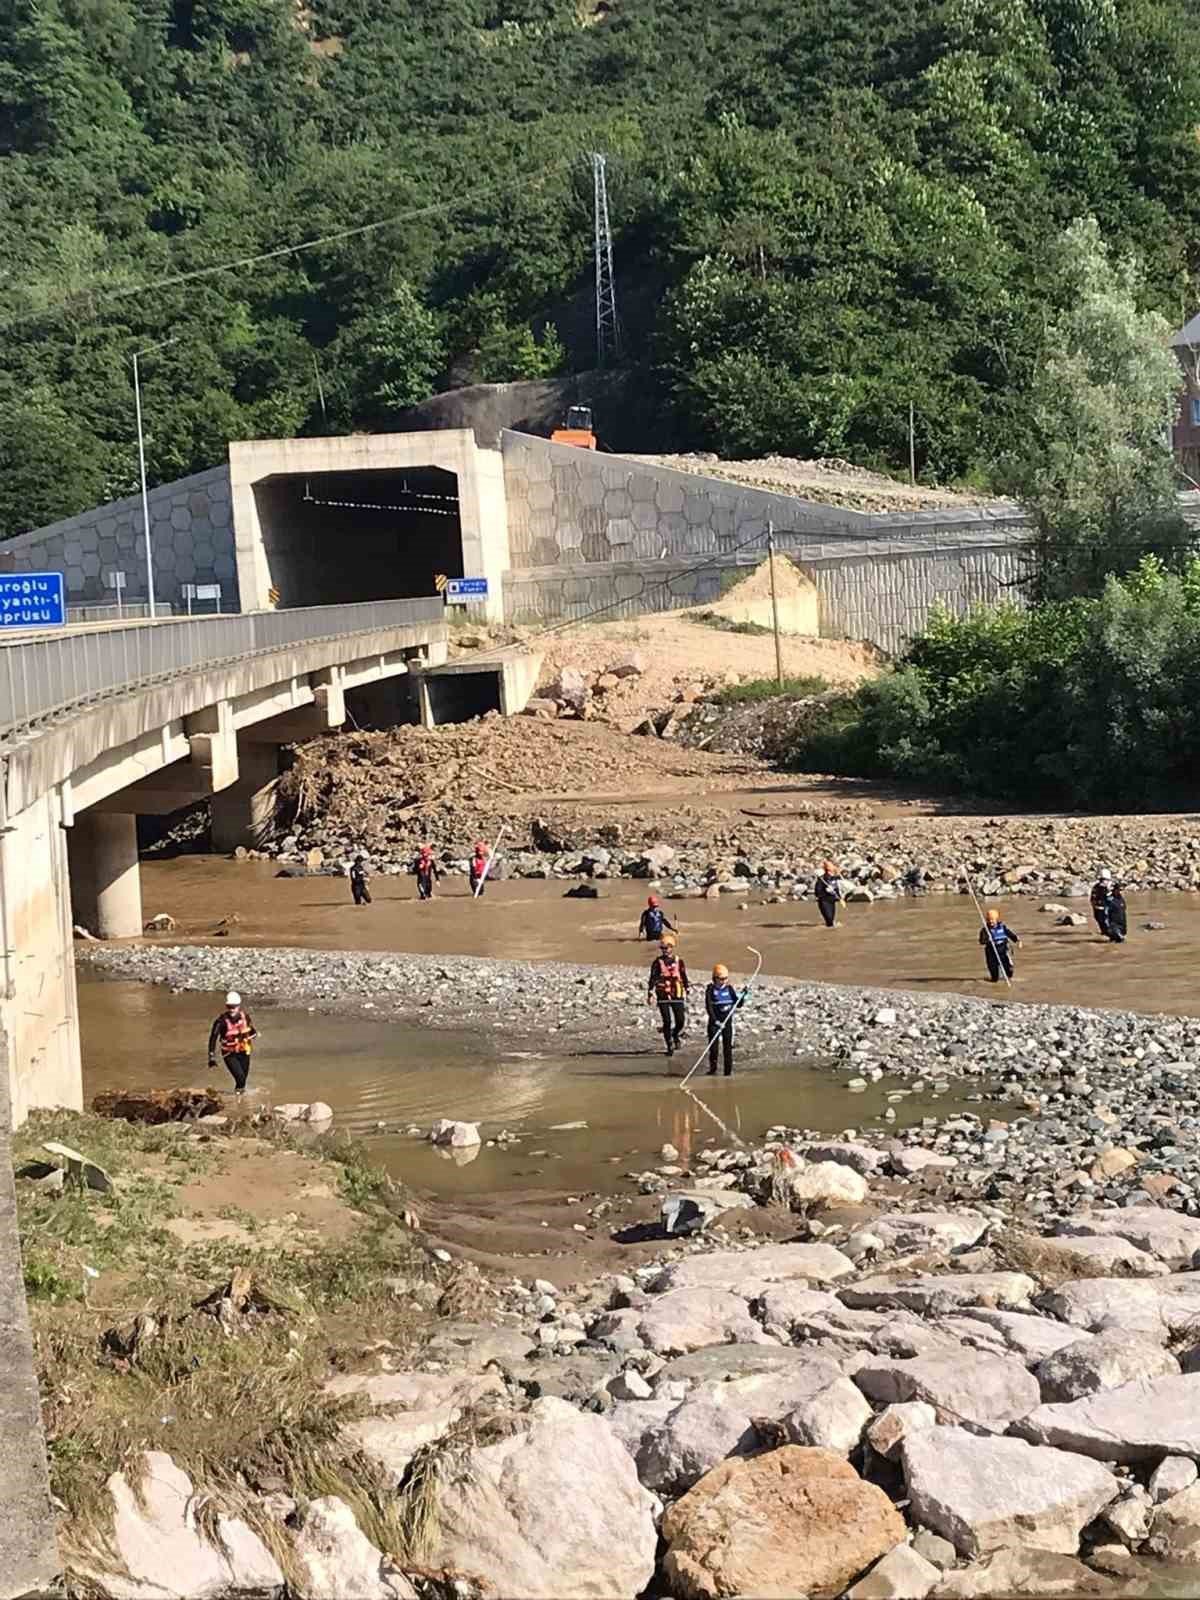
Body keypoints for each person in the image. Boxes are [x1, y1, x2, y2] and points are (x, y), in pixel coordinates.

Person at [207, 991, 258, 1096]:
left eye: (234, 1007)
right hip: (229, 1054)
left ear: (238, 1006)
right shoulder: (221, 1021)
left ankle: (238, 1098)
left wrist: (254, 1034)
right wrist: (211, 1056)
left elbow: (251, 1030)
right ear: (226, 1006)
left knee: (243, 1079)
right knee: (240, 1077)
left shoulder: (245, 1017)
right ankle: (238, 1099)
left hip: (244, 1051)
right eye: (229, 1007)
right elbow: (213, 1038)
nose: (232, 1009)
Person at [647, 933, 689, 1058]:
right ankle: (669, 1044)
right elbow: (653, 978)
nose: (664, 950)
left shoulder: (679, 961)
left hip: (677, 993)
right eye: (663, 948)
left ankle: (675, 1034)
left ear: (672, 947)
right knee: (667, 1021)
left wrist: (687, 989)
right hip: (663, 994)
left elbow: (683, 976)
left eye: (667, 948)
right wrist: (650, 992)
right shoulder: (657, 962)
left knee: (680, 1020)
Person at [705, 962, 739, 1076]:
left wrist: (743, 996)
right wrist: (716, 1021)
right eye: (721, 979)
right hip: (715, 1023)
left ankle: (727, 1072)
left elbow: (738, 1004)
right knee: (714, 1048)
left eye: (725, 978)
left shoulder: (729, 989)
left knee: (727, 1048)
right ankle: (713, 1069)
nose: (723, 981)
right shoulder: (710, 990)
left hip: (727, 1023)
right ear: (715, 978)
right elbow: (709, 1008)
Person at [979, 909, 1020, 982]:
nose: (990, 921)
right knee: (994, 976)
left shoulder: (1002, 927)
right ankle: (994, 980)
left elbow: (1010, 934)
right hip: (991, 952)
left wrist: (1017, 940)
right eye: (988, 920)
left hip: (1002, 950)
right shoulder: (985, 930)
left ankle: (1008, 976)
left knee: (1008, 971)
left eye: (992, 920)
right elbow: (982, 941)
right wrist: (988, 940)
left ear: (996, 919)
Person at [814, 861, 844, 928]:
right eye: (831, 865)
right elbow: (817, 890)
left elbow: (836, 889)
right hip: (824, 901)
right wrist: (825, 891)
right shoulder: (822, 878)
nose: (833, 867)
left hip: (832, 900)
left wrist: (840, 898)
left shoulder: (834, 878)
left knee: (831, 922)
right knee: (829, 919)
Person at [1090, 870, 1113, 938]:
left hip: (1101, 909)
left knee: (1104, 924)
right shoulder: (1101, 888)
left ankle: (1107, 934)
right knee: (1104, 924)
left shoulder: (1097, 887)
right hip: (1101, 909)